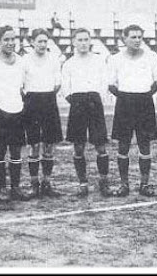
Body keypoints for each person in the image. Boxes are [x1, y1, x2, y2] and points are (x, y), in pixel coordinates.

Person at [108, 24, 157, 197]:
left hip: (144, 102)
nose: (137, 40)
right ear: (124, 38)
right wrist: (125, 97)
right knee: (123, 145)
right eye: (133, 37)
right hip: (124, 103)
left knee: (144, 144)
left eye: (140, 37)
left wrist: (144, 95)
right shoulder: (115, 59)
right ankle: (124, 184)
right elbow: (111, 84)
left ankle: (144, 184)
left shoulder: (151, 57)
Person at [0, 25, 31, 202]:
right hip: (0, 111)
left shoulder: (21, 61)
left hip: (17, 109)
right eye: (6, 40)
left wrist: (22, 104)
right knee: (0, 150)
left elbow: (25, 84)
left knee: (16, 150)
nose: (10, 43)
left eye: (13, 39)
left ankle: (15, 188)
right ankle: (1, 189)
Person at [62, 28, 109, 197]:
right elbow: (65, 88)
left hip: (94, 103)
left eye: (86, 39)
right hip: (78, 105)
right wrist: (76, 102)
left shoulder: (98, 61)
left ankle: (104, 182)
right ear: (74, 42)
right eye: (79, 40)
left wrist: (97, 98)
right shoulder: (69, 63)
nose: (83, 43)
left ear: (90, 41)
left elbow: (105, 82)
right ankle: (83, 183)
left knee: (101, 146)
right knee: (78, 146)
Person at [21, 28, 64, 198]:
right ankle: (34, 185)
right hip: (31, 102)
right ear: (32, 42)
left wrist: (47, 95)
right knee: (34, 144)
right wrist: (31, 98)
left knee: (48, 144)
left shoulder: (53, 59)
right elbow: (20, 85)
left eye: (45, 41)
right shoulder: (24, 60)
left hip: (48, 101)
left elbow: (57, 83)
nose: (42, 44)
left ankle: (47, 183)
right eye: (39, 41)